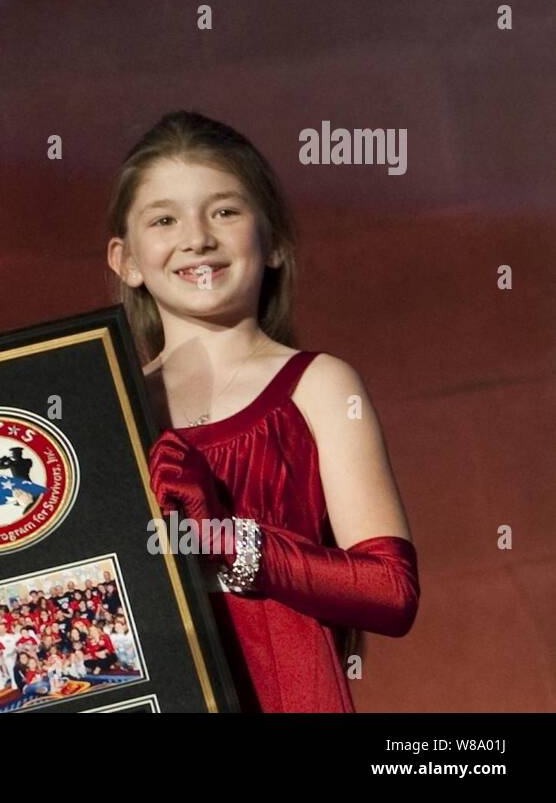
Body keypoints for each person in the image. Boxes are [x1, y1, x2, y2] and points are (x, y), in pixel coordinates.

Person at [105, 110, 420, 712]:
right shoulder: (107, 411)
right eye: (164, 219)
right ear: (127, 260)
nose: (196, 237)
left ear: (272, 241)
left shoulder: (319, 385)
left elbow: (391, 590)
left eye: (224, 211)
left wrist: (227, 540)